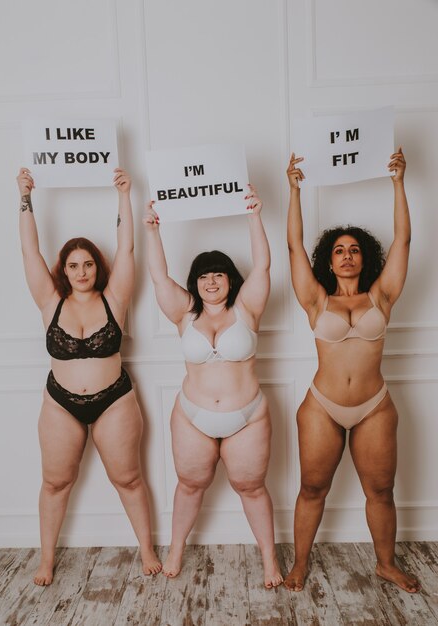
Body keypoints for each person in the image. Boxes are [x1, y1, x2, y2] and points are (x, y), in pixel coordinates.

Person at [284, 148, 420, 593]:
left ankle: (386, 564)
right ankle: (300, 564)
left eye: (354, 250)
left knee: (381, 491)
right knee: (312, 489)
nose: (346, 256)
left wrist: (398, 183)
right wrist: (294, 190)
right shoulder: (316, 300)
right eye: (339, 251)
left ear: (365, 259)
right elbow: (292, 246)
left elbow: (403, 241)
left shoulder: (381, 296)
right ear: (329, 259)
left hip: (374, 406)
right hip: (322, 407)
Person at [17, 167, 161, 585]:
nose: (81, 271)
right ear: (64, 269)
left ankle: (147, 549)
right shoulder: (50, 302)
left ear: (98, 266)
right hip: (60, 402)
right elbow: (29, 251)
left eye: (88, 264)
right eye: (73, 265)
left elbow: (128, 247)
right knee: (56, 482)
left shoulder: (115, 297)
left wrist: (124, 195)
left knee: (128, 478)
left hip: (114, 400)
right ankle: (46, 559)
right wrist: (25, 197)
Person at [143, 186, 283, 588]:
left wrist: (254, 215)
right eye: (203, 276)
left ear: (229, 279)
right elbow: (157, 276)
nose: (210, 281)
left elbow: (263, 267)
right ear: (196, 282)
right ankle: (175, 549)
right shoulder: (184, 314)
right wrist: (153, 231)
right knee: (190, 485)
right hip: (193, 416)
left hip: (247, 416)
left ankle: (269, 560)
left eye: (218, 274)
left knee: (251, 487)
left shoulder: (247, 309)